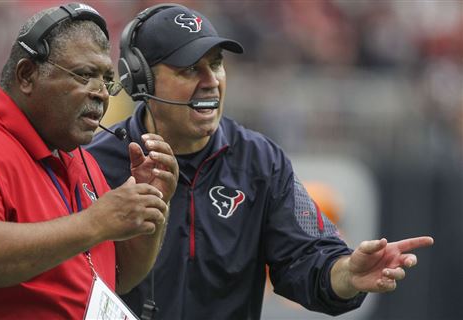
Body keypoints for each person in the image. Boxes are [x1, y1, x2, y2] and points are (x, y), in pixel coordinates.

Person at [87, 4, 434, 319]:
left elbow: (308, 258)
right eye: (190, 69)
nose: (211, 82)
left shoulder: (260, 160)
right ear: (141, 80)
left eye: (217, 64)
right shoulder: (95, 162)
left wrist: (349, 275)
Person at [0, 3, 178, 319]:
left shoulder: (78, 159)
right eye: (85, 75)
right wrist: (95, 222)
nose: (101, 93)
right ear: (27, 75)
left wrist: (151, 208)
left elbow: (121, 275)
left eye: (106, 79)